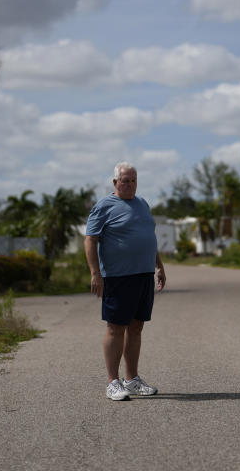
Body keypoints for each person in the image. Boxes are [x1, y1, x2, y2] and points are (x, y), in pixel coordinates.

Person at [85, 162, 167, 401]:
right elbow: (90, 239)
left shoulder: (142, 204)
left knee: (136, 326)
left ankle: (131, 380)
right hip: (118, 277)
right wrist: (95, 273)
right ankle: (113, 382)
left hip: (143, 275)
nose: (130, 184)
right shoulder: (104, 206)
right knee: (115, 327)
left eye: (133, 180)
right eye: (125, 180)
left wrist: (159, 266)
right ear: (115, 182)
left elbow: (149, 237)